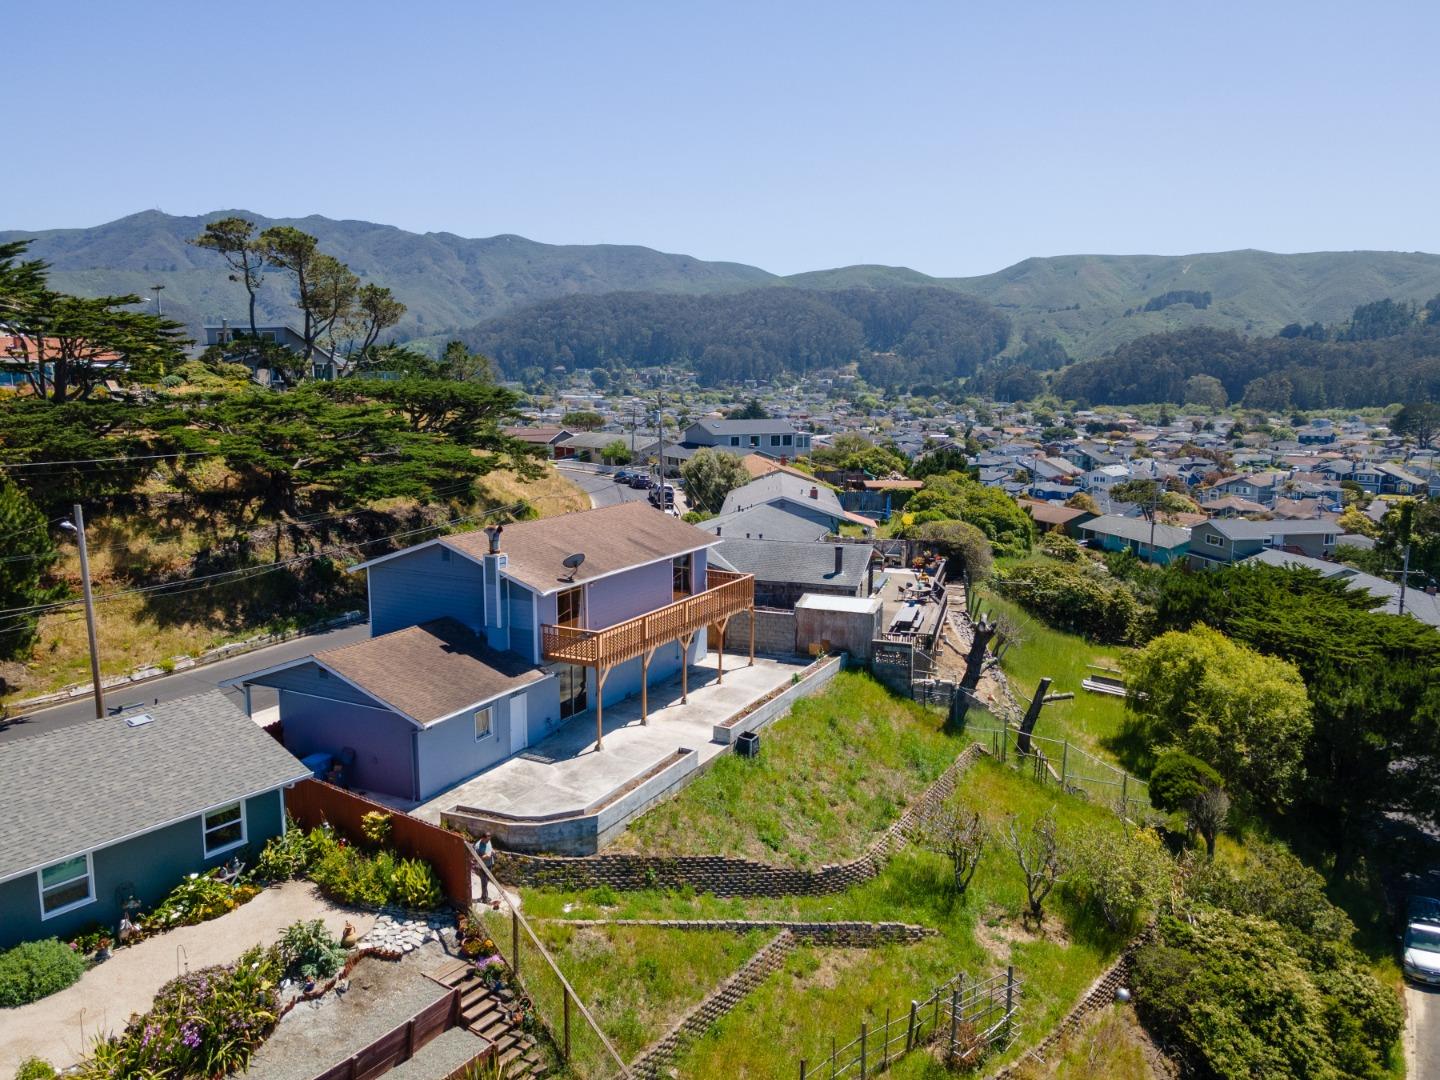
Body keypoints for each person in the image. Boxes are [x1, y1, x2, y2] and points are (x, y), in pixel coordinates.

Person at [477, 831, 496, 901]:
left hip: (490, 864)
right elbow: (475, 858)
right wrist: (485, 857)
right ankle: (484, 898)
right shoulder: (477, 846)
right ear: (482, 838)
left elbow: (490, 849)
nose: (488, 841)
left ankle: (484, 896)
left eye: (489, 839)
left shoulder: (488, 841)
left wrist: (493, 851)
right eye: (487, 840)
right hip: (482, 867)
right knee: (484, 882)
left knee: (486, 881)